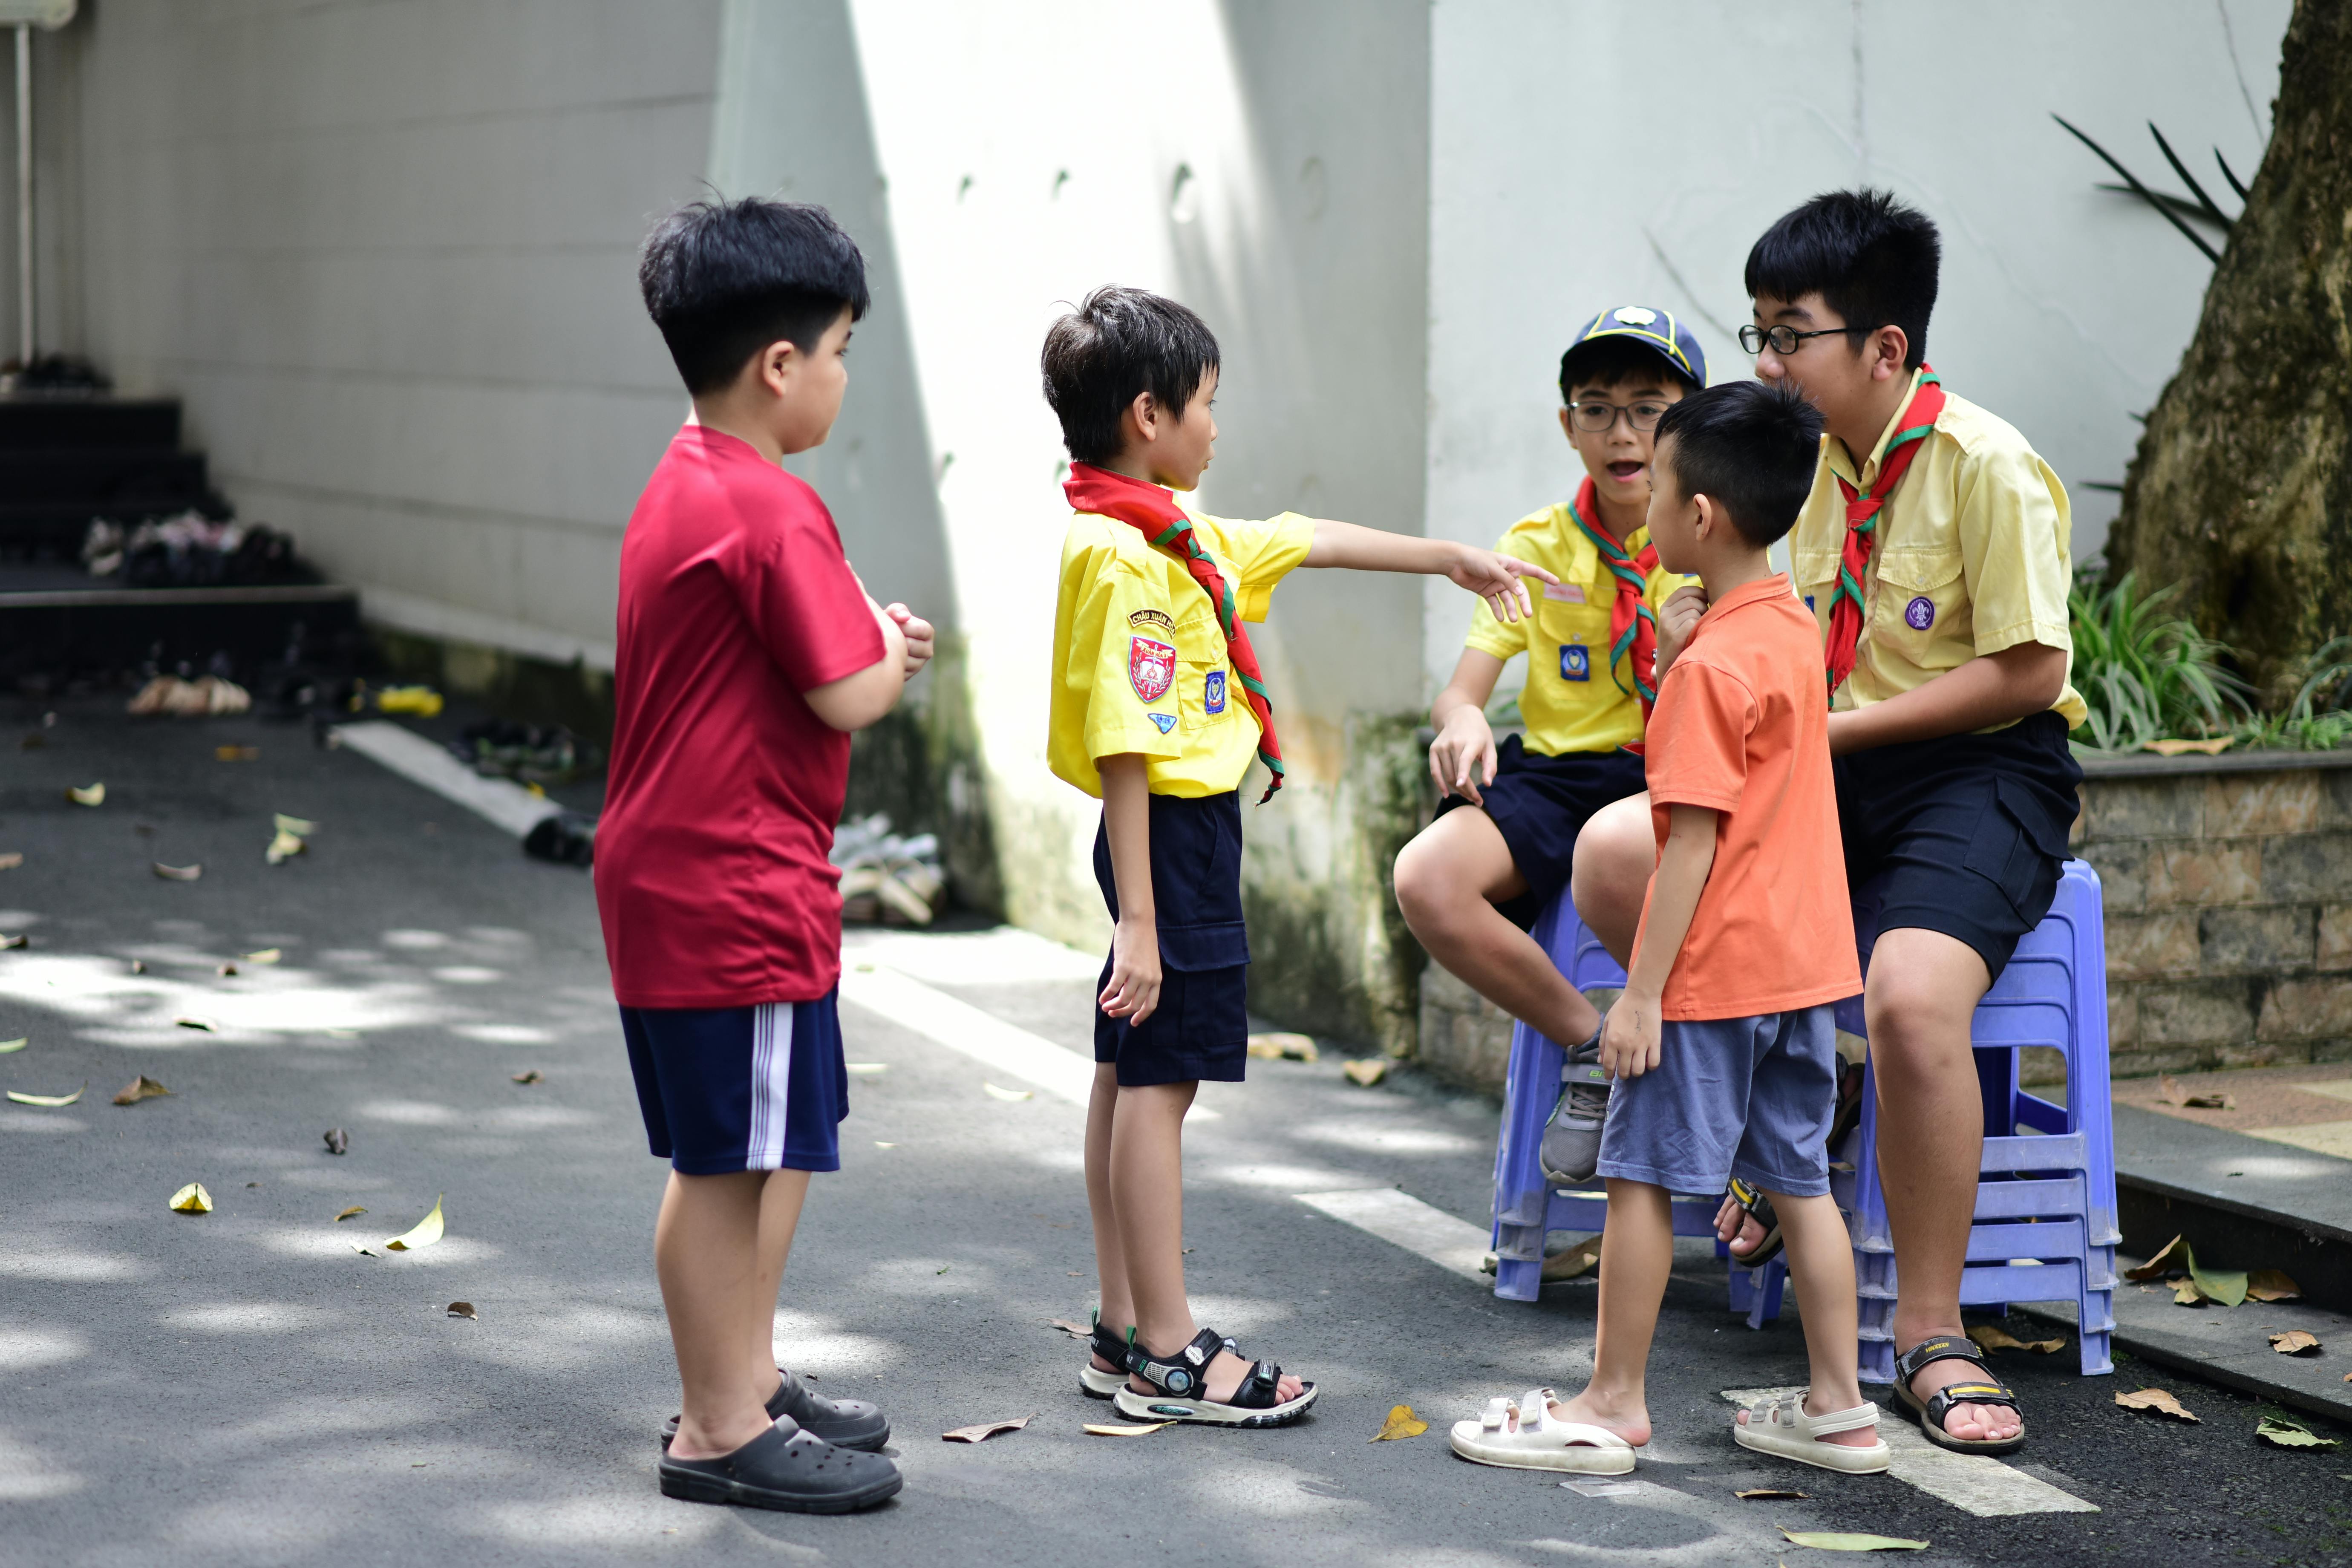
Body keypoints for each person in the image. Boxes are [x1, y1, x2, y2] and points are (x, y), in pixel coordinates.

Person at [1571, 190, 2083, 1456]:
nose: (1764, 363)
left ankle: (1929, 1329)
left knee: (1910, 997)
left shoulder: (1986, 465)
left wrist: (1821, 736)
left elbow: (2027, 668)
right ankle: (1773, 1109)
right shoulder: (1789, 476)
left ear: (1886, 349)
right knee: (1611, 853)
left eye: (1788, 335)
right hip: (1822, 765)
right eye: (1758, 332)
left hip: (1979, 772)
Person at [1043, 285, 1555, 1427]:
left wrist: (1447, 560)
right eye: (1208, 405)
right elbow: (1127, 743)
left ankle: (1125, 1327)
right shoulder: (1134, 559)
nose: (1218, 427)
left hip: (1161, 844)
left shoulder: (1158, 531)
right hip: (1164, 842)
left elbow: (1307, 540)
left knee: (1128, 1073)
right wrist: (1140, 915)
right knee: (1158, 1083)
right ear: (1146, 416)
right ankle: (1171, 1352)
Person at [1451, 380, 1884, 1477]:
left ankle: (1612, 1402)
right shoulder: (1787, 626)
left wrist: (1637, 996)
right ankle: (1840, 1406)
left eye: (1668, 476)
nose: (1646, 480)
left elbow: (1688, 844)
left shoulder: (1705, 673)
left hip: (1715, 969)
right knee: (1798, 1182)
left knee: (1638, 1174)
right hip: (1804, 968)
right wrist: (1684, 643)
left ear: (1703, 519)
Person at [597, 197, 936, 1513]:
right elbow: (848, 690)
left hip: (687, 872)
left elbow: (794, 652)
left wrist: (859, 637)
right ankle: (718, 1422)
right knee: (728, 1163)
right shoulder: (771, 505)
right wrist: (892, 655)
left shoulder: (687, 476)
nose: (845, 376)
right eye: (842, 349)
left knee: (766, 1142)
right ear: (780, 365)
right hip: (732, 880)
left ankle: (742, 1373)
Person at [1392, 306, 1703, 1184]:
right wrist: (1460, 717)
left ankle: (1725, 1079)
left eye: (1649, 407)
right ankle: (1593, 1049)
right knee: (1424, 876)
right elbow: (1465, 686)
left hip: (1668, 780)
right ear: (1567, 426)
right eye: (1597, 408)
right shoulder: (1533, 546)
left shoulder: (1716, 538)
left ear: (1689, 420)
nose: (1622, 432)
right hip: (1560, 778)